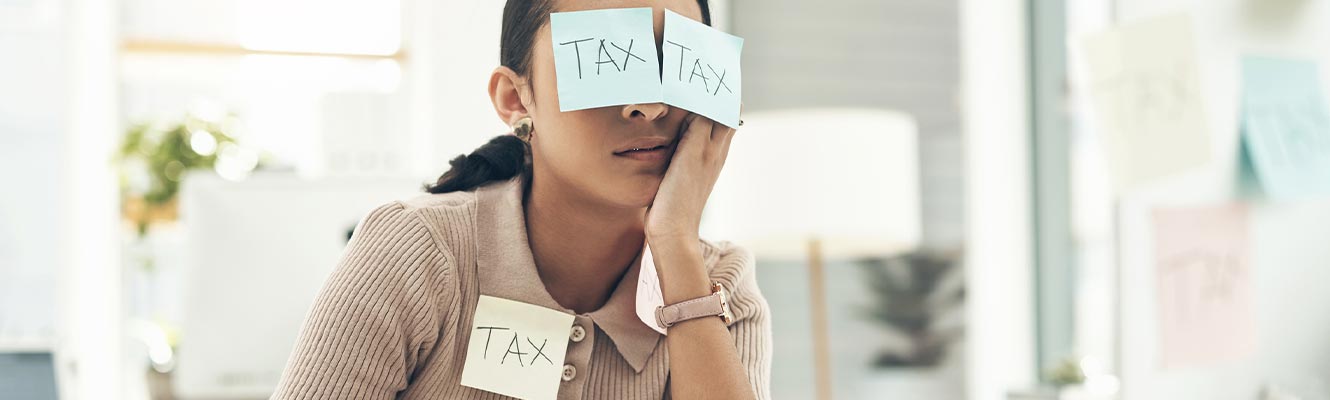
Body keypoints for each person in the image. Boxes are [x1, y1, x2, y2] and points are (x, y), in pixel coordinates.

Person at [271, 1, 770, 399]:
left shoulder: (721, 285)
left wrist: (677, 248)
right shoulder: (417, 250)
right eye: (609, 58)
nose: (651, 104)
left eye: (677, 62)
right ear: (515, 99)